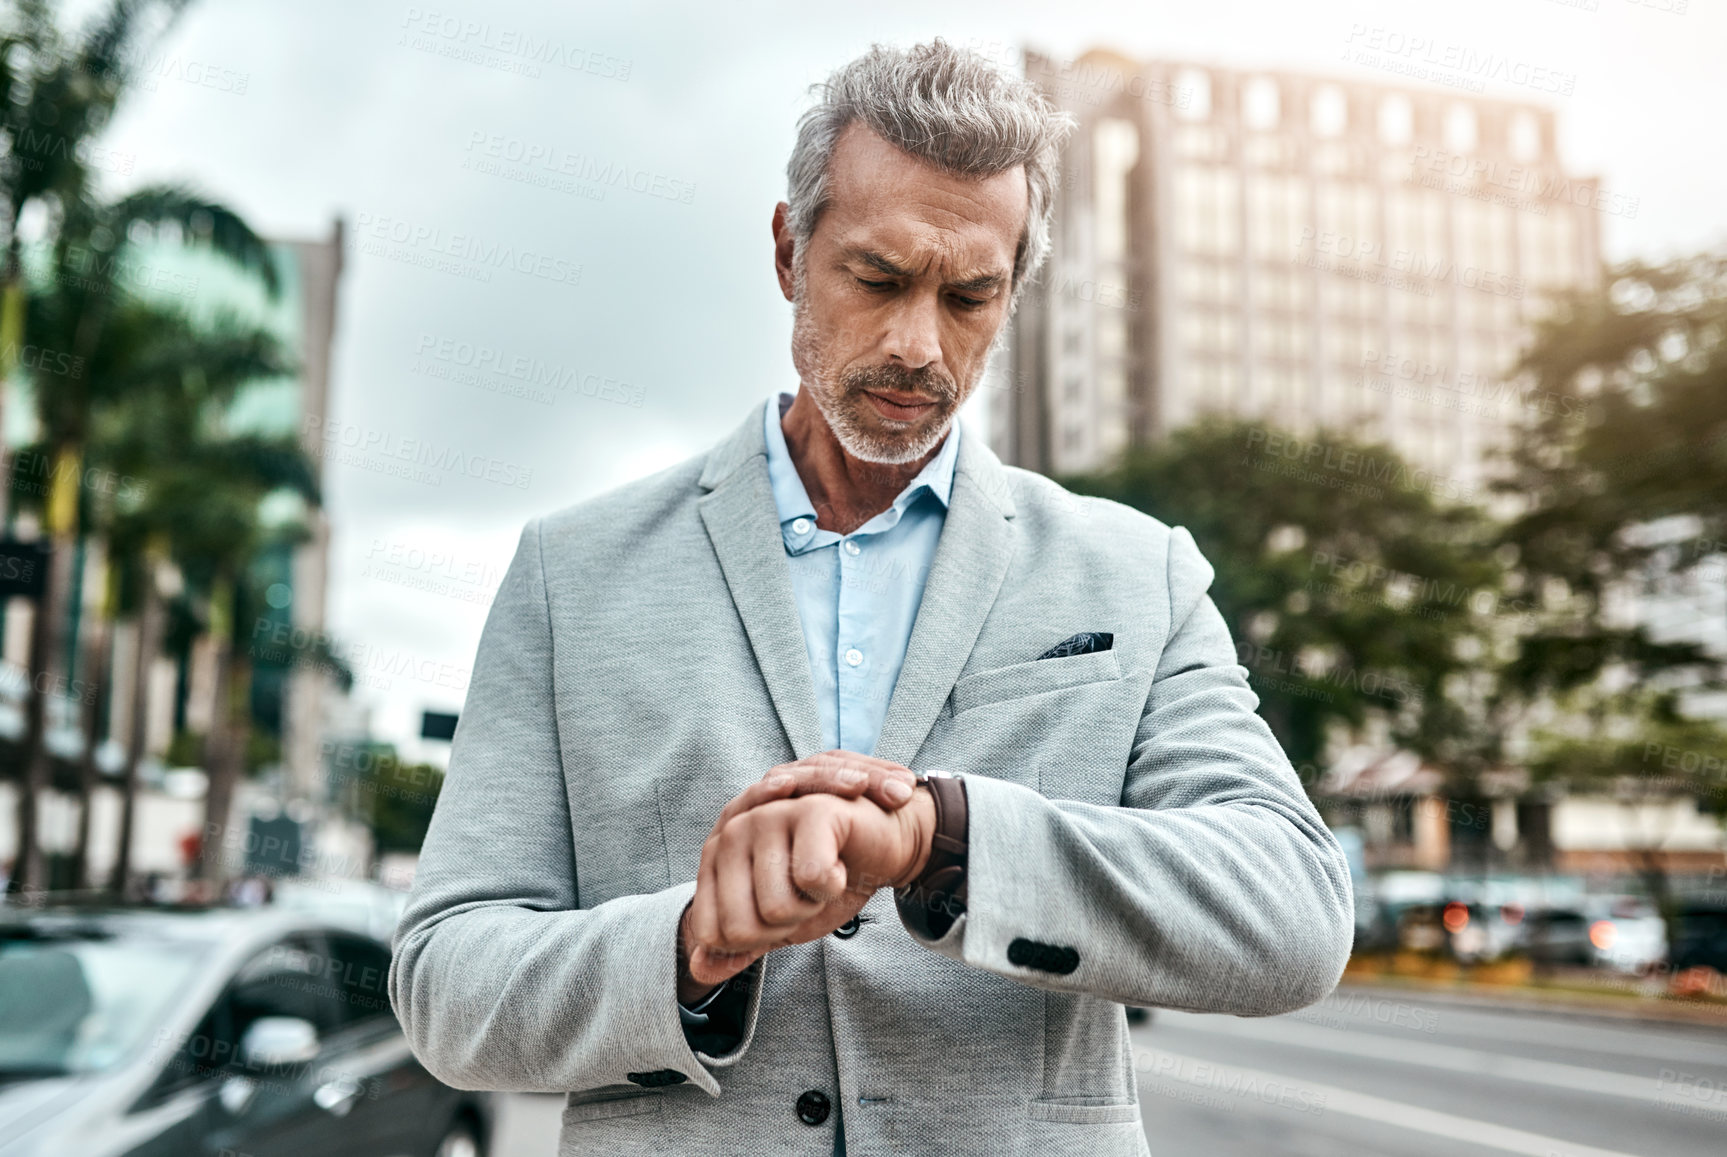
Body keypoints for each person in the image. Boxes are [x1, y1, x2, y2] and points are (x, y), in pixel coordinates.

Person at [389, 38, 1353, 1156]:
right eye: (878, 279)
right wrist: (688, 944)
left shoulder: (1135, 573)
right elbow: (446, 983)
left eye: (968, 297)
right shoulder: (572, 572)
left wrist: (947, 842)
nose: (915, 346)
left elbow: (1291, 913)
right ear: (790, 251)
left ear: (1012, 292)